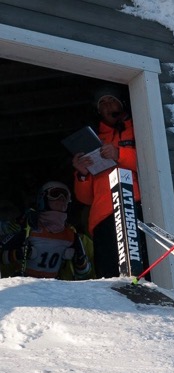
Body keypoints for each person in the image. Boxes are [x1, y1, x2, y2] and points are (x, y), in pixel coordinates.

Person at [71, 89, 147, 278]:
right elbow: (85, 198)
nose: (107, 106)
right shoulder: (94, 139)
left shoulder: (140, 127)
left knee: (142, 272)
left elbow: (153, 163)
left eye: (110, 101)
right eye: (102, 104)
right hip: (102, 216)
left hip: (135, 207)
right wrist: (82, 174)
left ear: (122, 104)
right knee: (110, 277)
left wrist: (120, 154)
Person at [0, 181, 93, 279]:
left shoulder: (72, 236)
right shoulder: (28, 228)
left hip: (54, 289)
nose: (61, 199)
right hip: (24, 287)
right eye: (55, 194)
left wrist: (80, 260)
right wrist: (18, 254)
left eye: (65, 196)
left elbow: (84, 273)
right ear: (43, 199)